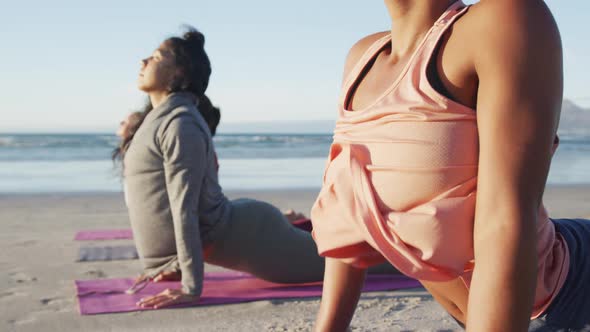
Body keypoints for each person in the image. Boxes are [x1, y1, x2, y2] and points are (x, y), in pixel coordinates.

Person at [309, 1, 590, 331]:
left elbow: (506, 218)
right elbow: (348, 220)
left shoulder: (502, 18)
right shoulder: (362, 57)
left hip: (567, 299)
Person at [115, 27, 397, 310]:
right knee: (349, 255)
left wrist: (191, 288)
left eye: (156, 56)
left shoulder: (180, 123)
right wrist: (168, 263)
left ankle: (419, 251)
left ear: (179, 73)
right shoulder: (159, 121)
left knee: (357, 261)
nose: (144, 62)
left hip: (256, 238)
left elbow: (184, 206)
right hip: (241, 230)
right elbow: (155, 196)